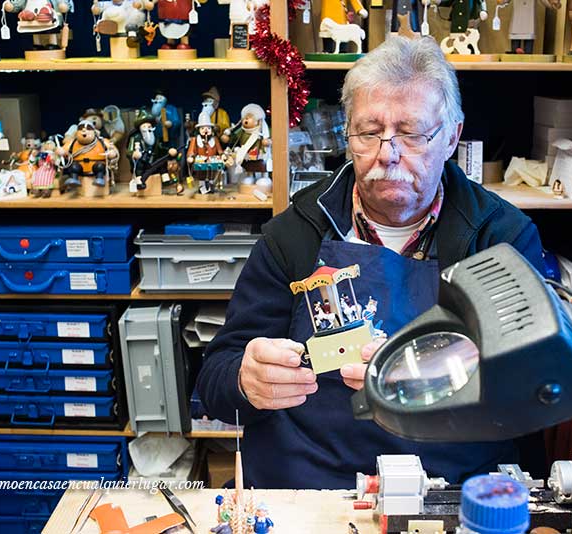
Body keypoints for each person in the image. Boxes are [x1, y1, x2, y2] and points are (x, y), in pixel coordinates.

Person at [197, 35, 546, 490]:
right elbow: (215, 377)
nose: (388, 154)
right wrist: (245, 381)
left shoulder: (498, 238)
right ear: (348, 136)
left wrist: (439, 380)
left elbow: (535, 387)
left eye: (412, 133)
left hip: (448, 488)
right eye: (369, 132)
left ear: (452, 137)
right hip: (312, 486)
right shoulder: (295, 234)